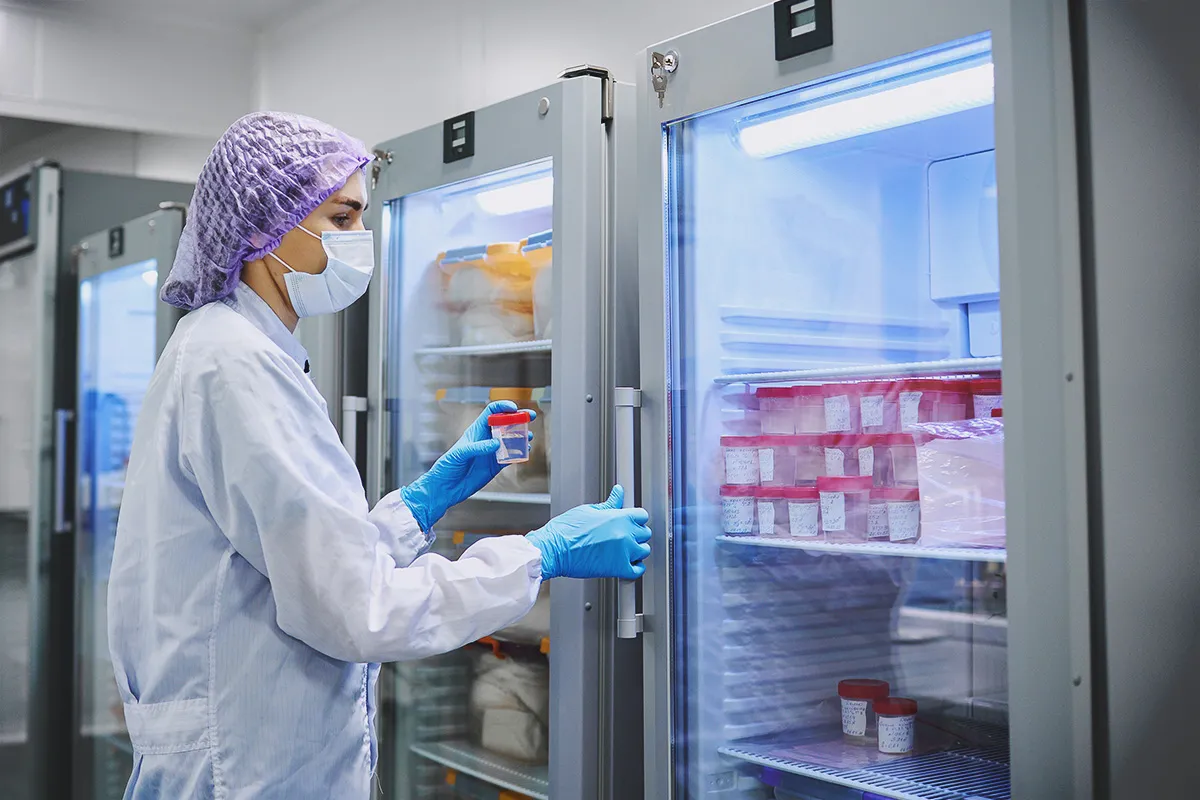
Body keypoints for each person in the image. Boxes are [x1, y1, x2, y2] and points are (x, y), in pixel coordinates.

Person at [107, 111, 651, 799]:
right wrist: (539, 552)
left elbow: (299, 559)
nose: (359, 240)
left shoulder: (231, 350)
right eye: (340, 218)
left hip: (248, 752)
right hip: (242, 771)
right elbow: (357, 608)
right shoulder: (235, 364)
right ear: (258, 226)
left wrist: (422, 503)